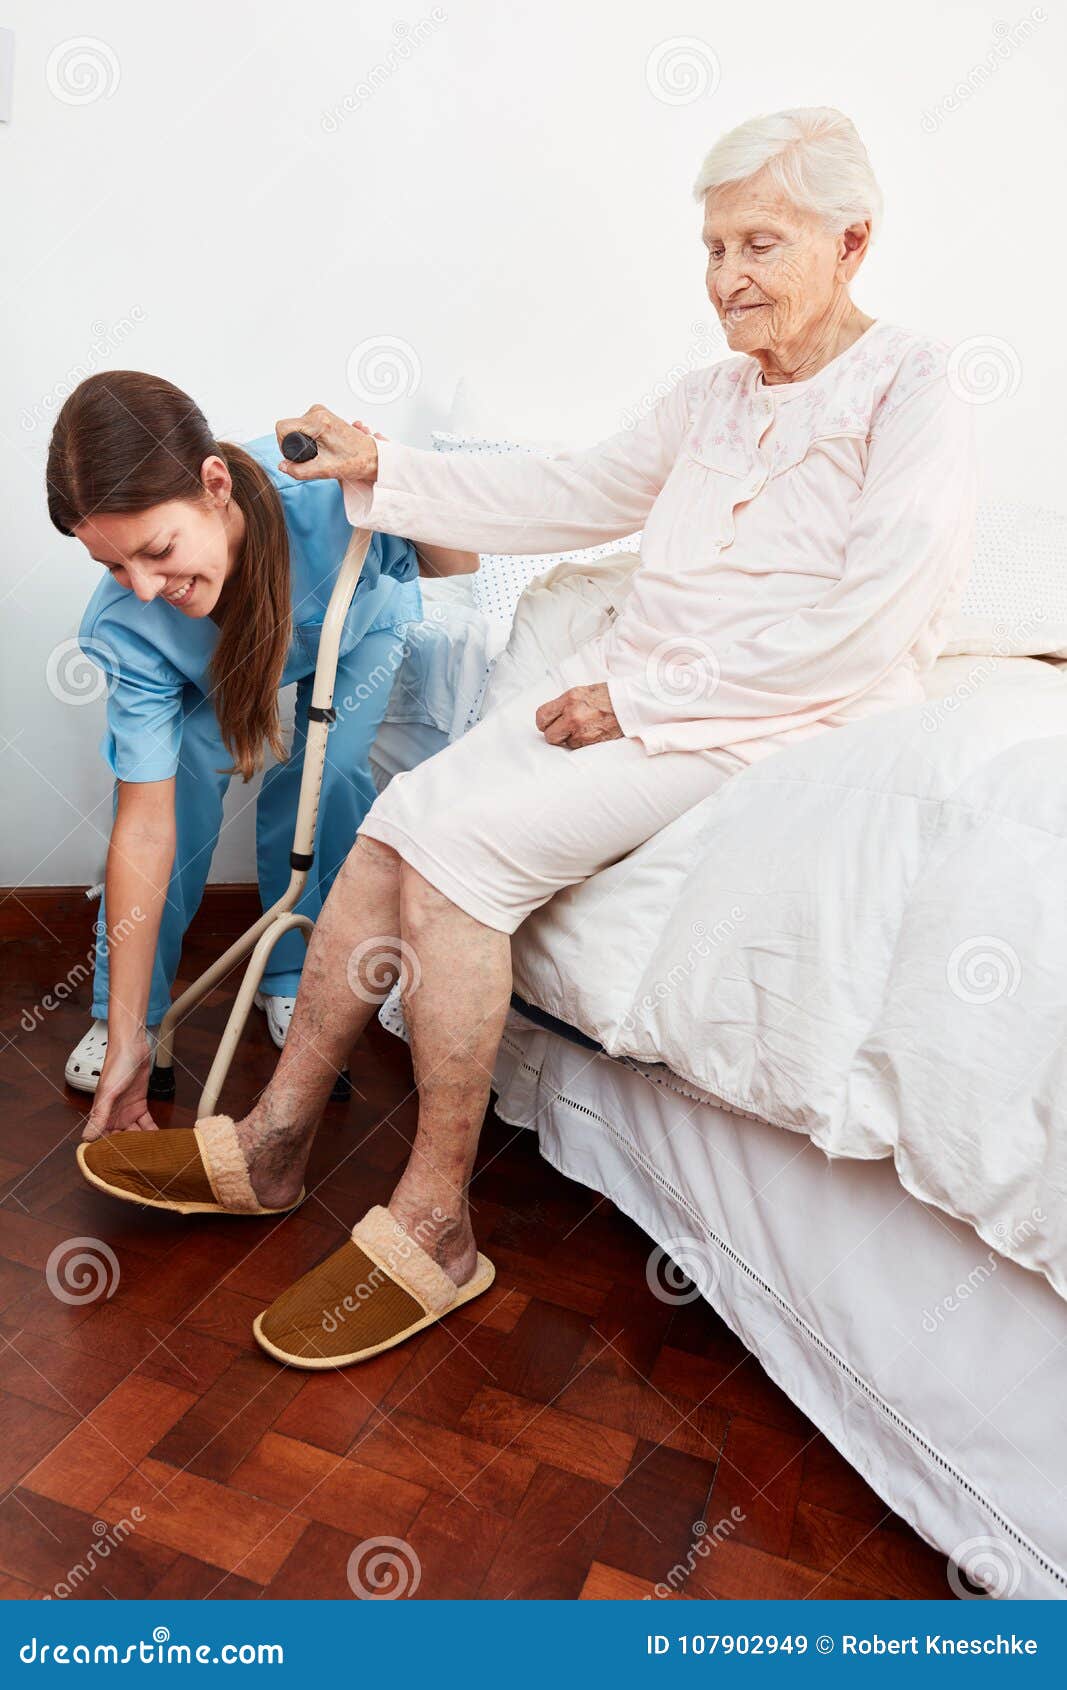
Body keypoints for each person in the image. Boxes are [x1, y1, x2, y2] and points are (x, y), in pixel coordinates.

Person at [78, 107, 977, 1370]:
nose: (725, 278)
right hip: (635, 691)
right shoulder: (708, 398)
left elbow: (866, 623)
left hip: (772, 714)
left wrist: (645, 703)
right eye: (712, 247)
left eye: (758, 244)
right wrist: (383, 460)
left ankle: (437, 1219)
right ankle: (278, 1140)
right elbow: (567, 491)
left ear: (852, 243)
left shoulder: (915, 386)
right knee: (396, 822)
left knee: (461, 858)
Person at [48, 371, 476, 1135]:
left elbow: (459, 563)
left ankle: (292, 976)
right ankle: (131, 1019)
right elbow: (143, 832)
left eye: (156, 549)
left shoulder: (317, 495)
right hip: (222, 663)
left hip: (350, 636)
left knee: (329, 771)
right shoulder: (130, 623)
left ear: (215, 484)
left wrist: (389, 471)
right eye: (114, 565)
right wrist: (124, 1043)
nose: (142, 586)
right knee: (175, 787)